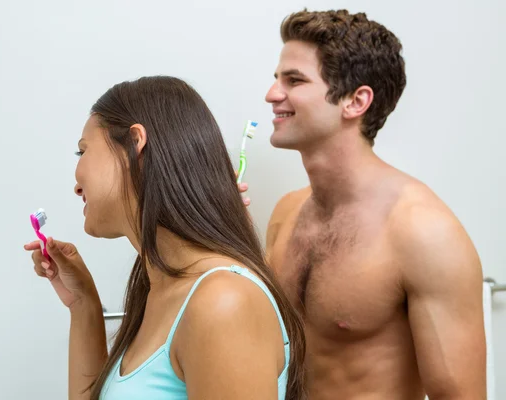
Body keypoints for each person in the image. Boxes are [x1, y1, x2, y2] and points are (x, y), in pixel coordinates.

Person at [241, 8, 486, 400]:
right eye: (276, 79)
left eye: (294, 80)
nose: (272, 94)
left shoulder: (423, 233)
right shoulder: (285, 214)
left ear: (356, 101)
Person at [24, 76, 307, 400]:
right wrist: (82, 304)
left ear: (135, 143)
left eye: (83, 151)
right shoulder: (159, 292)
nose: (76, 184)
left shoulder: (223, 302)